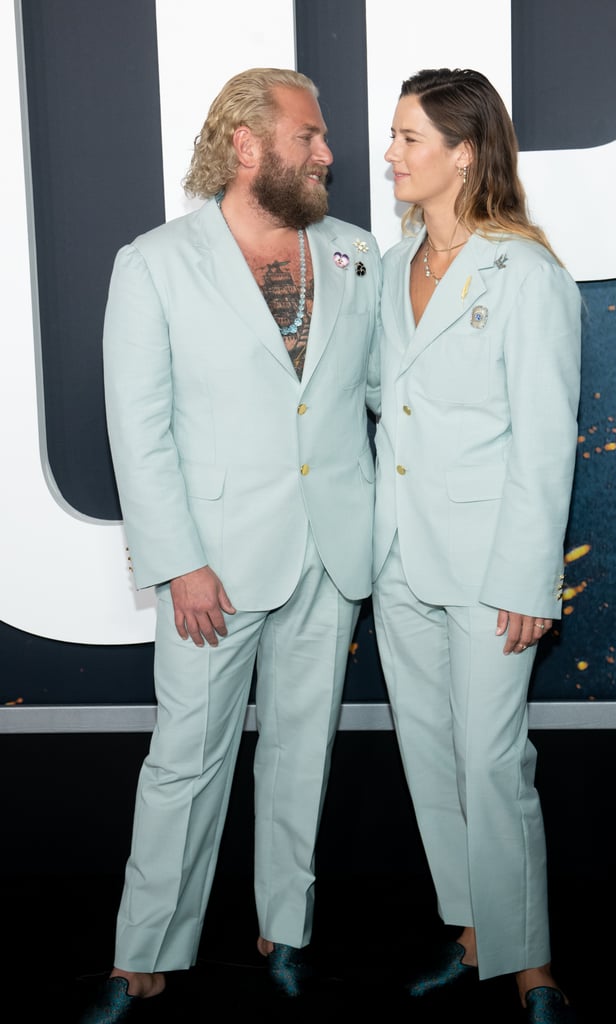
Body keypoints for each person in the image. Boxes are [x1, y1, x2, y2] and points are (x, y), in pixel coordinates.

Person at [79, 67, 381, 1021]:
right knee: (186, 759)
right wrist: (177, 561)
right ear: (247, 145)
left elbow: (382, 401)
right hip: (212, 563)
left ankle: (282, 934)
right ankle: (144, 957)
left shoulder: (357, 255)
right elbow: (140, 426)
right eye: (308, 135)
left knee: (304, 754)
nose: (327, 152)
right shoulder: (156, 262)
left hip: (329, 553)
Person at [372, 68, 581, 1023]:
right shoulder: (386, 264)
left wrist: (530, 578)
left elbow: (545, 439)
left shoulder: (525, 273)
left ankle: (529, 963)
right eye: (392, 137)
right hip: (399, 556)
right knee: (430, 756)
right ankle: (472, 931)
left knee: (492, 761)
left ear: (463, 151)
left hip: (492, 561)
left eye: (409, 138)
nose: (390, 155)